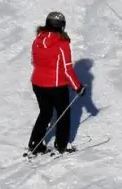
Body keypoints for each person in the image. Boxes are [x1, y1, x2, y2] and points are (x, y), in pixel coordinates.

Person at [29, 11, 84, 155]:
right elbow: (67, 69)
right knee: (63, 113)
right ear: (62, 26)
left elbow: (34, 61)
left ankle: (35, 143)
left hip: (37, 83)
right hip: (56, 85)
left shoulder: (38, 40)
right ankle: (61, 145)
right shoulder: (62, 43)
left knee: (45, 113)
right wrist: (78, 87)